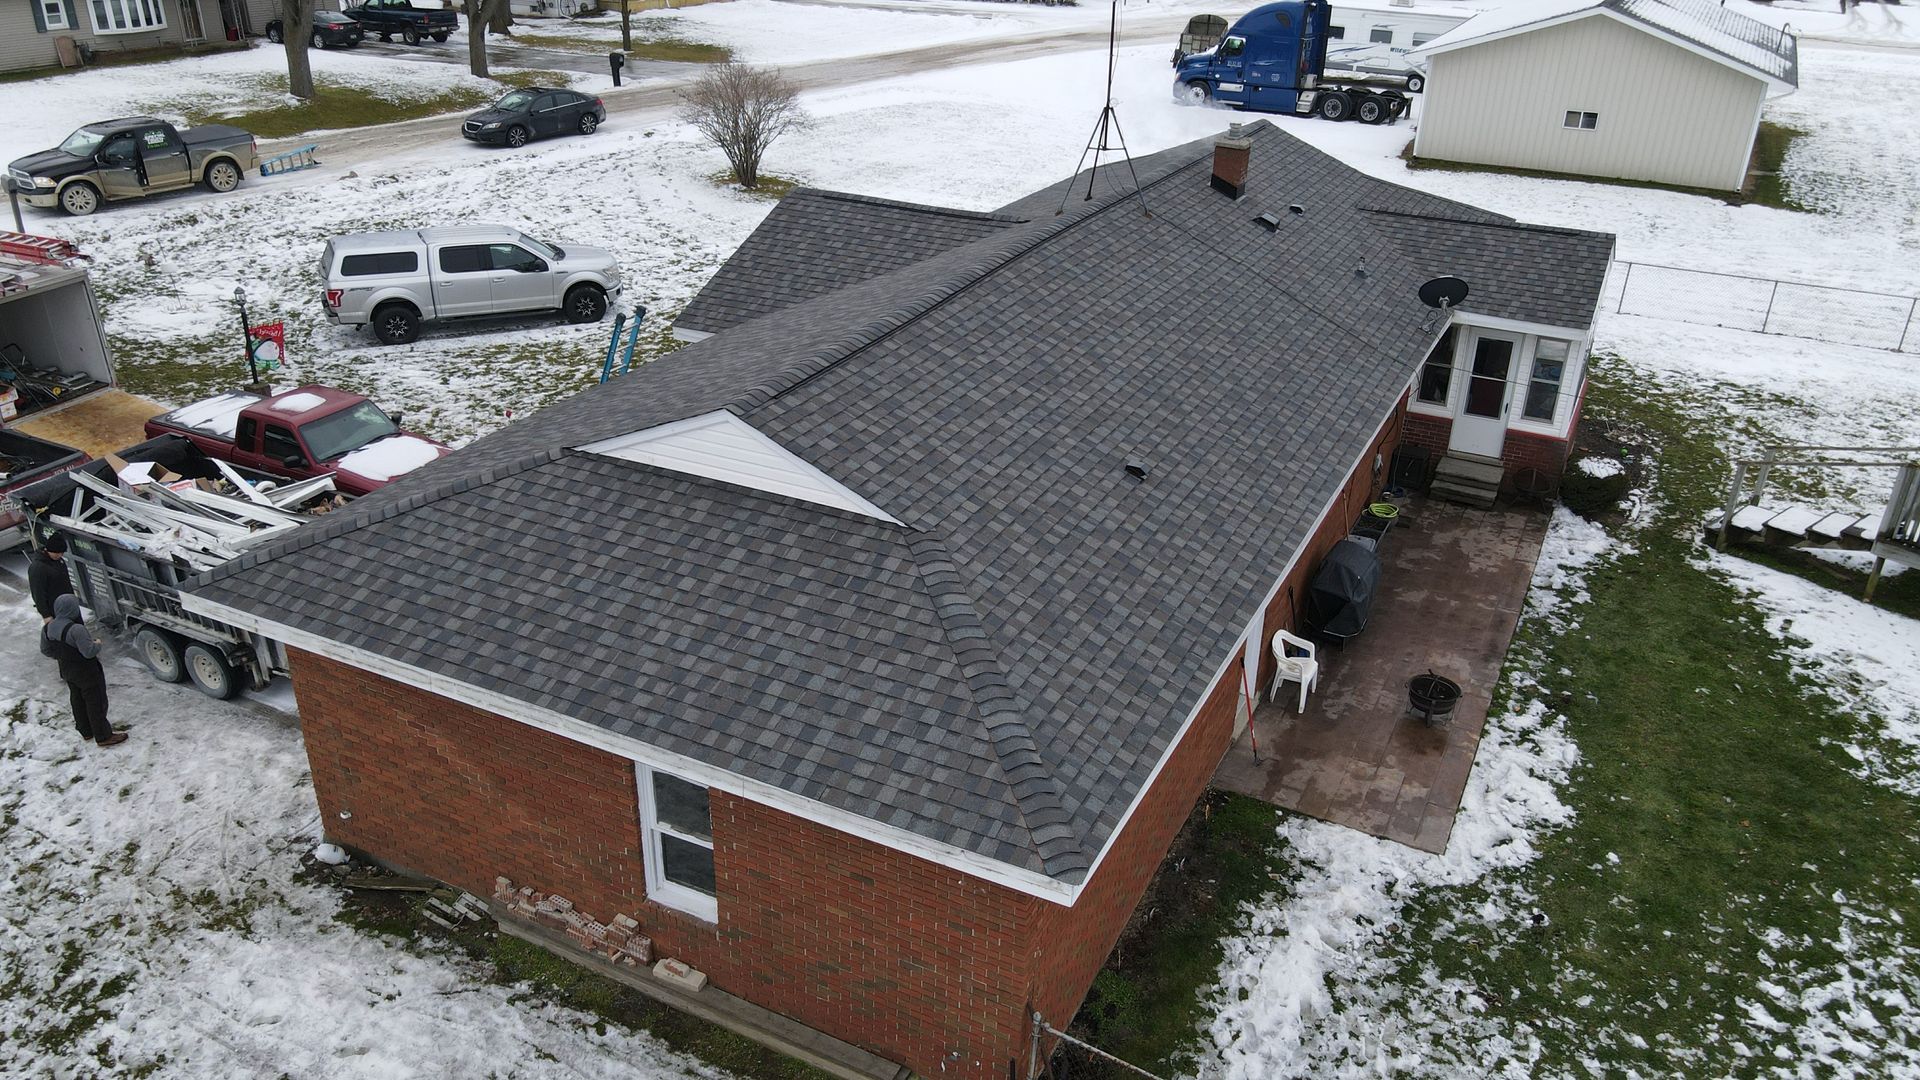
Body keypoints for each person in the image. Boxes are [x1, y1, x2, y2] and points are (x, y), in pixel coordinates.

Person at [41, 595, 125, 748]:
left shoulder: (48, 627)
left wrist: (61, 656)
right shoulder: (76, 629)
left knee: (77, 699)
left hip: (66, 670)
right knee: (96, 702)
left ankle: (85, 731)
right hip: (87, 672)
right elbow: (88, 652)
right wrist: (97, 643)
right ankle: (103, 736)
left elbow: (46, 650)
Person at [28, 533, 74, 624]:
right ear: (48, 550)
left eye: (62, 553)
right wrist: (46, 615)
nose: (60, 555)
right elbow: (38, 594)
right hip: (55, 609)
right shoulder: (38, 568)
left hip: (68, 605)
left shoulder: (59, 561)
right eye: (57, 553)